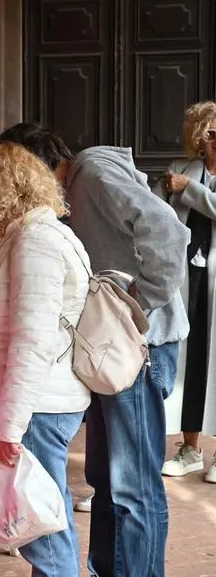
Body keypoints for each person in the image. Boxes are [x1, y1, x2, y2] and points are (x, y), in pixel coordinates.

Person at [0, 122, 190, 577]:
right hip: (113, 353)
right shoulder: (70, 196)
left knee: (133, 487)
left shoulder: (94, 173)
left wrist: (140, 301)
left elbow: (168, 231)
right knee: (107, 479)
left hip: (138, 349)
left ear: (30, 169)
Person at [0, 142, 91, 577]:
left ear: (0, 193)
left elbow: (31, 341)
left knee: (45, 534)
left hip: (39, 403)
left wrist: (11, 425)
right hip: (43, 399)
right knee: (44, 518)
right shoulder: (30, 234)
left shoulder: (35, 241)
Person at [156, 101, 216, 481]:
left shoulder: (188, 180)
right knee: (189, 359)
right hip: (186, 277)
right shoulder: (184, 170)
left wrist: (188, 190)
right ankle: (190, 448)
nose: (215, 141)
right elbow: (161, 216)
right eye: (211, 134)